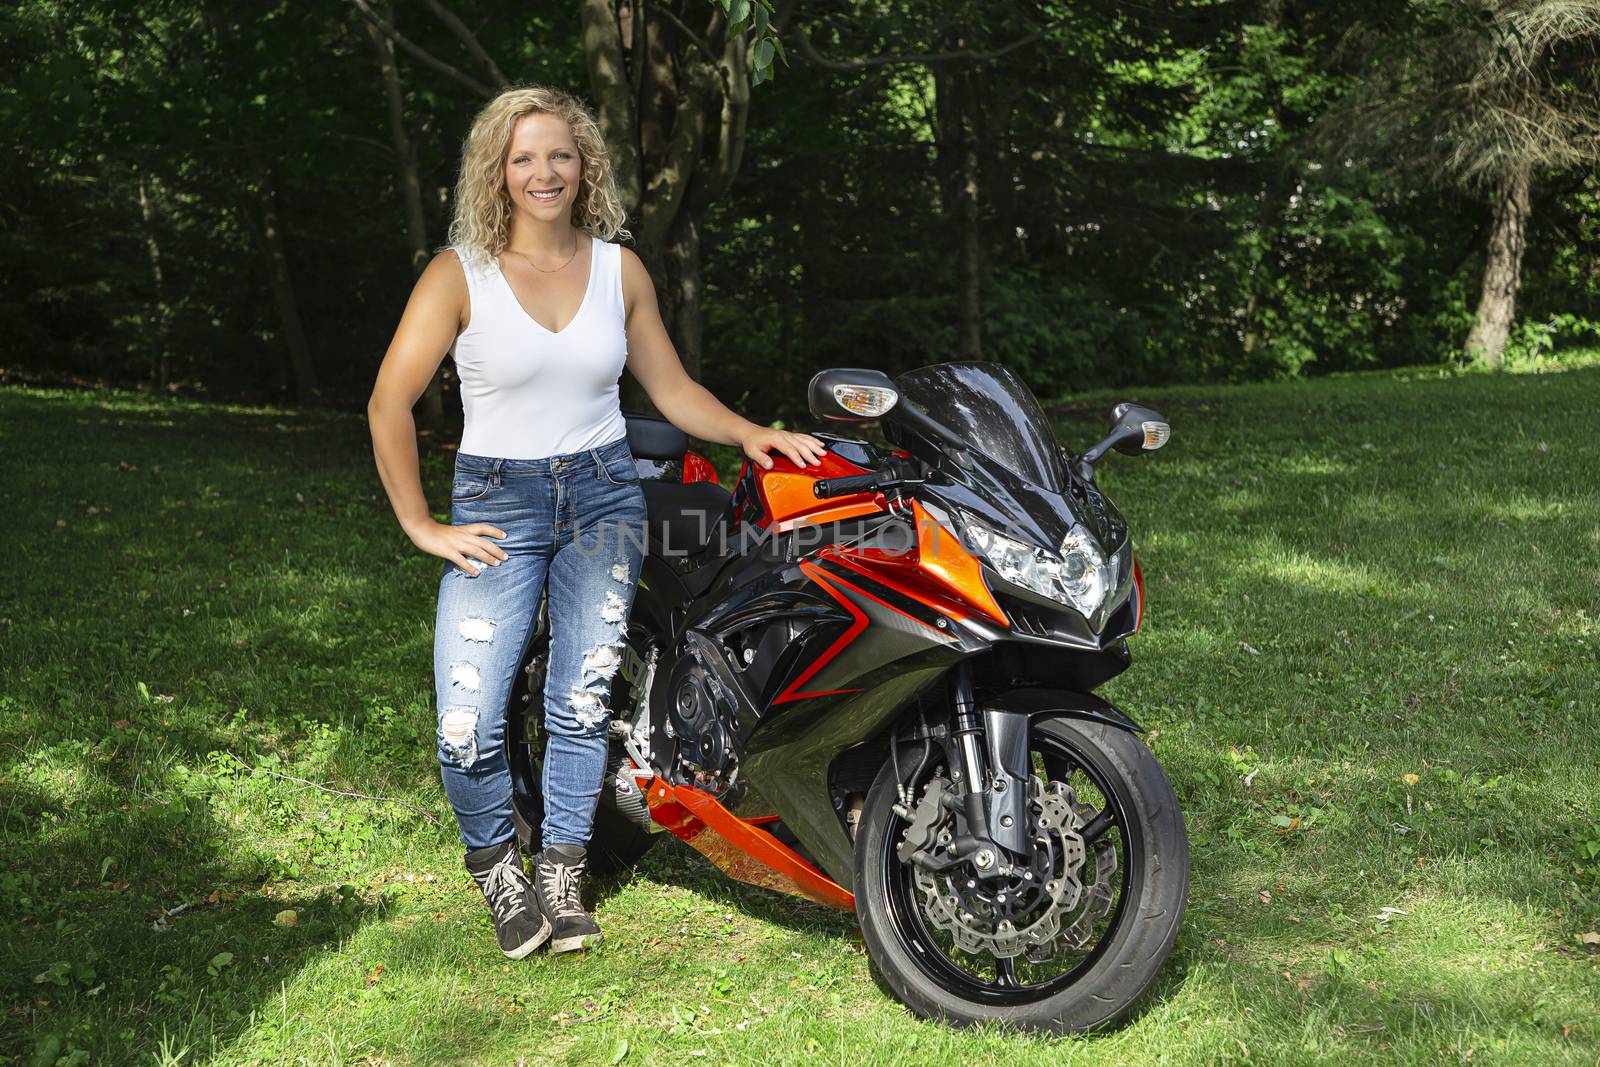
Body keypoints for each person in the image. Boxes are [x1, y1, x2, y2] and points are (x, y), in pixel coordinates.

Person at [367, 86, 826, 958]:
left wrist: (751, 432)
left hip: (604, 496)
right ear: (498, 172)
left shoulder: (620, 270)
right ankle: (499, 865)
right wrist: (422, 524)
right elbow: (389, 401)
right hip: (497, 501)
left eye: (560, 155)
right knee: (467, 721)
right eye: (524, 157)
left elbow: (673, 389)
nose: (544, 172)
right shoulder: (457, 272)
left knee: (581, 704)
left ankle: (562, 873)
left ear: (586, 167)